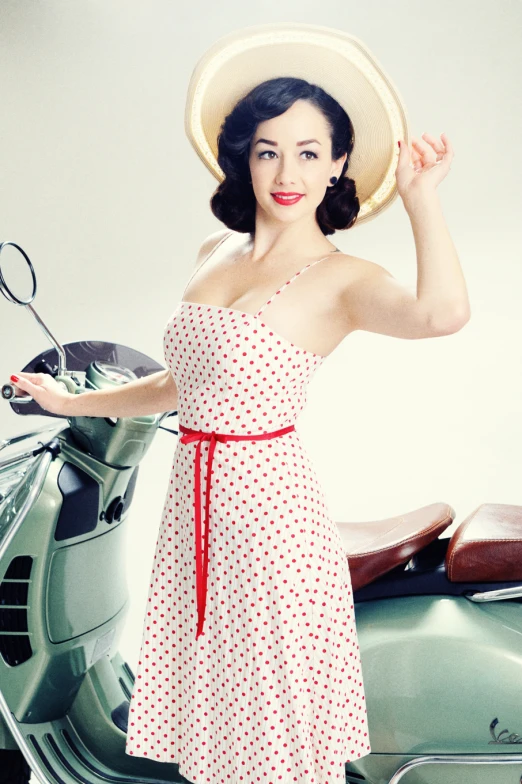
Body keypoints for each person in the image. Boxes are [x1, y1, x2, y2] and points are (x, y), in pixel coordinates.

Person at [10, 23, 469, 784]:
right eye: (269, 150)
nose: (287, 171)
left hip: (267, 517)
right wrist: (67, 401)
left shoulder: (341, 278)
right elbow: (183, 386)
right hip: (195, 508)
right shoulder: (212, 254)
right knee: (216, 718)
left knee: (270, 717)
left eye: (310, 151)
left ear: (339, 165)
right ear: (244, 160)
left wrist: (422, 201)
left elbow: (440, 314)